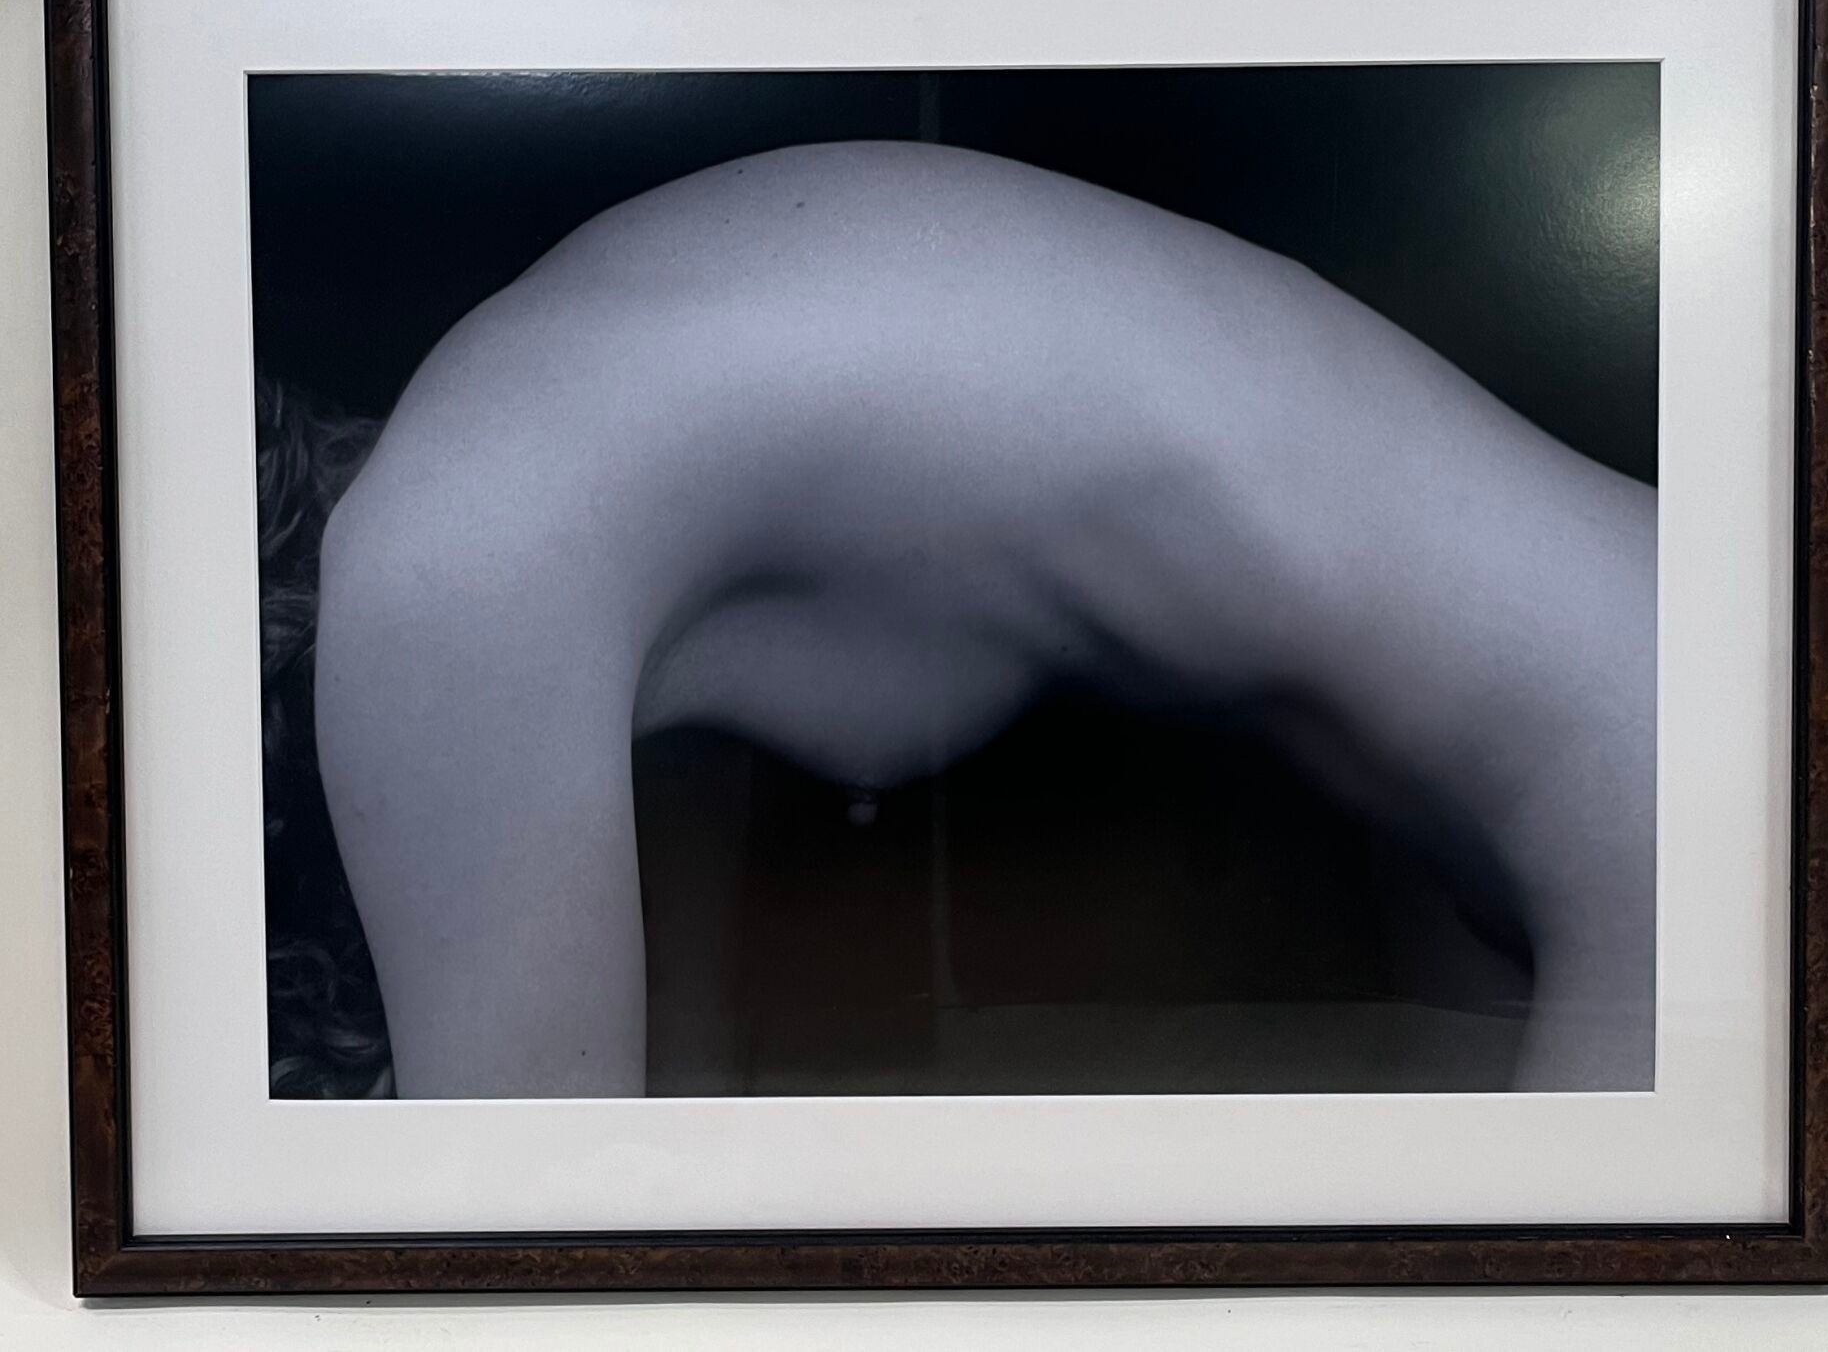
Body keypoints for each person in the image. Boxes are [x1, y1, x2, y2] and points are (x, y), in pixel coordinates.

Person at [305, 140, 1655, 1100]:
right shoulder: (546, 425)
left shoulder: (444, 559)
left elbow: (536, 1247)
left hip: (1639, 793)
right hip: (1577, 773)